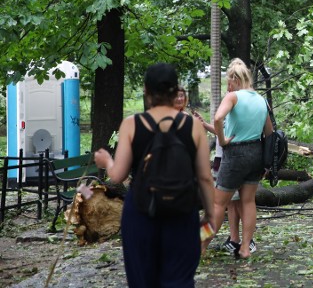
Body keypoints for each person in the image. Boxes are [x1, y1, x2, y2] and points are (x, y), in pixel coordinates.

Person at [94, 63, 215, 287]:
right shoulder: (193, 126)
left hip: (141, 213)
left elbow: (118, 175)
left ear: (146, 90)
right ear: (175, 90)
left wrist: (106, 161)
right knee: (179, 280)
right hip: (182, 212)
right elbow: (205, 178)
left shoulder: (132, 124)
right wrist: (210, 216)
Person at [202, 58, 272, 260]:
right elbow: (269, 132)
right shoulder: (261, 100)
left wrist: (222, 141)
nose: (228, 86)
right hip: (256, 154)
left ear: (233, 79)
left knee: (217, 204)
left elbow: (217, 118)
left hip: (235, 155)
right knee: (248, 201)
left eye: (228, 81)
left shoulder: (233, 96)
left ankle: (200, 246)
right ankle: (245, 248)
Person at [192, 109, 246, 255]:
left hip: (228, 163)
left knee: (217, 207)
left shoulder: (238, 107)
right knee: (230, 204)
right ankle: (239, 242)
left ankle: (200, 244)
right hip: (228, 161)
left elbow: (226, 133)